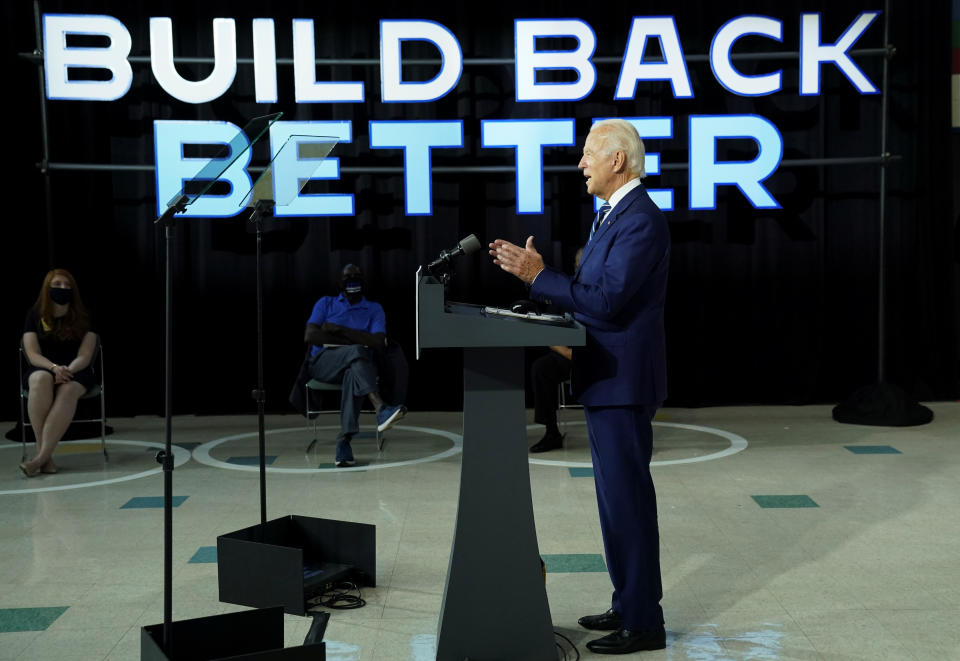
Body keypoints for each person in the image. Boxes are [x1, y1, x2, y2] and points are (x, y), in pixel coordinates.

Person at [490, 118, 670, 654]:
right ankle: (627, 601)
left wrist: (537, 276)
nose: (581, 163)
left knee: (628, 503)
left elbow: (607, 300)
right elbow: (591, 293)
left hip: (623, 383)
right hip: (603, 380)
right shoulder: (611, 216)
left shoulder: (640, 220)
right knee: (615, 504)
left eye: (590, 153)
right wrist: (543, 287)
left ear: (619, 160)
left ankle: (644, 622)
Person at [301, 264, 407, 467]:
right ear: (340, 282)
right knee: (358, 352)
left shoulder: (374, 308)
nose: (352, 280)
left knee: (353, 371)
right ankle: (380, 408)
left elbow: (378, 342)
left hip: (358, 367)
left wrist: (338, 330)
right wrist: (359, 341)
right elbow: (311, 335)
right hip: (324, 363)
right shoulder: (326, 303)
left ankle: (343, 443)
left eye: (357, 276)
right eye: (348, 277)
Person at [19, 269, 99, 478]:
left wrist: (67, 370)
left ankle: (39, 458)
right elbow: (32, 352)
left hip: (76, 371)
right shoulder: (35, 315)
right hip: (45, 367)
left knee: (68, 390)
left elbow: (86, 353)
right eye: (57, 284)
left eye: (67, 285)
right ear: (47, 288)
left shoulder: (84, 316)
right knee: (40, 379)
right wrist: (54, 368)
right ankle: (44, 454)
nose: (62, 288)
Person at [529, 247, 582, 453]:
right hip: (568, 356)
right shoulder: (565, 290)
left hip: (599, 356)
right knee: (542, 368)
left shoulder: (604, 289)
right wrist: (568, 353)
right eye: (577, 263)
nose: (580, 267)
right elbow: (549, 332)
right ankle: (551, 433)